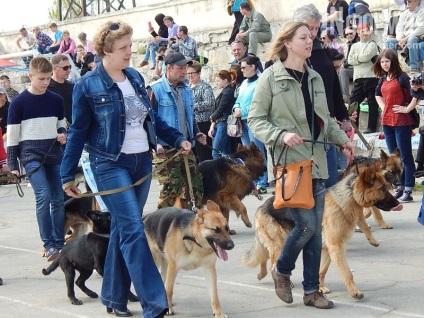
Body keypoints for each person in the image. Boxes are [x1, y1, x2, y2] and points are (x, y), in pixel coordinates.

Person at [60, 21, 186, 318]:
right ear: (106, 51)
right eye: (124, 48)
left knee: (120, 230)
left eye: (131, 45)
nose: (131, 52)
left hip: (141, 162)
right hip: (108, 164)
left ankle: (114, 298)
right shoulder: (87, 85)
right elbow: (78, 131)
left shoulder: (135, 77)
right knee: (132, 229)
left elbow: (151, 118)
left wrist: (178, 138)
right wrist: (67, 174)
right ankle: (155, 303)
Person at [247, 21, 354, 309]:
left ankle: (311, 292)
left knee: (316, 231)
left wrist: (343, 139)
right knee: (306, 226)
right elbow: (255, 120)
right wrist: (281, 135)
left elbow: (326, 119)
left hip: (318, 162)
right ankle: (282, 270)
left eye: (312, 37)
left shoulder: (316, 77)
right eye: (304, 37)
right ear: (288, 43)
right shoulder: (270, 77)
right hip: (289, 165)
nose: (310, 42)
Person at [7, 57, 67, 262]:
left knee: (59, 198)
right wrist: (13, 165)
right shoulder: (18, 103)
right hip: (31, 155)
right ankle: (49, 245)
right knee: (44, 195)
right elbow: (13, 137)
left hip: (53, 153)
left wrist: (62, 133)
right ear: (30, 76)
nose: (46, 82)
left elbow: (62, 124)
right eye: (41, 78)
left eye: (49, 78)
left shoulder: (56, 100)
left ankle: (60, 243)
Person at [293, 4, 354, 188]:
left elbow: (334, 87)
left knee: (330, 177)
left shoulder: (322, 51)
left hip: (327, 123)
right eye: (308, 28)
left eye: (316, 28)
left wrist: (344, 116)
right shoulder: (284, 59)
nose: (313, 33)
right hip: (300, 128)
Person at [148, 52, 206, 210]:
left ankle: (190, 224)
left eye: (185, 68)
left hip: (186, 146)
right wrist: (156, 143)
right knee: (171, 189)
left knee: (195, 187)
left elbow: (189, 116)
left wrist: (197, 133)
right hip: (166, 149)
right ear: (169, 68)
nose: (184, 72)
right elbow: (149, 120)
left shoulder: (186, 89)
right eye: (180, 68)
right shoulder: (155, 89)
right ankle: (159, 224)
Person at [372, 48, 417, 202]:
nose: (384, 64)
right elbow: (377, 94)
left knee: (405, 157)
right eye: (382, 61)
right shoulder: (383, 78)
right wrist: (384, 107)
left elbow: (416, 92)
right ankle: (399, 187)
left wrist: (407, 108)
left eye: (387, 61)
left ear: (393, 61)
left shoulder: (402, 77)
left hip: (402, 122)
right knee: (392, 158)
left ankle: (408, 189)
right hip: (387, 122)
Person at [232, 55, 268, 194]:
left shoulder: (260, 82)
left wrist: (243, 111)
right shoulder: (245, 83)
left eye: (243, 67)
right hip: (243, 121)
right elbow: (238, 100)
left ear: (253, 66)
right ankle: (252, 181)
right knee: (246, 153)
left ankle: (262, 182)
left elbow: (259, 103)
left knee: (257, 152)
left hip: (255, 120)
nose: (241, 70)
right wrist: (235, 108)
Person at [348, 22, 380, 133]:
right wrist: (360, 58)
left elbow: (367, 56)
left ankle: (371, 127)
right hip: (358, 77)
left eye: (366, 30)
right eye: (362, 31)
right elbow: (349, 60)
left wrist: (356, 58)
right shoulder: (354, 45)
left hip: (371, 77)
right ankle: (354, 128)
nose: (364, 33)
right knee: (353, 103)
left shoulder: (372, 44)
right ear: (358, 32)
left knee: (372, 102)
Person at [385, 0, 424, 73]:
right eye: (406, 2)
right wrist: (400, 39)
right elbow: (399, 29)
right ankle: (394, 68)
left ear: (417, 2)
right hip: (403, 39)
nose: (407, 4)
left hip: (417, 37)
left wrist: (406, 39)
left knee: (412, 39)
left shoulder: (422, 12)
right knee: (389, 42)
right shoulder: (404, 14)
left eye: (410, 1)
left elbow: (421, 28)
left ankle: (414, 67)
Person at [187, 61, 215, 162]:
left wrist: (193, 106)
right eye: (188, 73)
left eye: (192, 73)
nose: (190, 75)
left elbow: (210, 103)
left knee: (204, 153)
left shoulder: (205, 87)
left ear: (199, 73)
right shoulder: (187, 87)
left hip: (203, 124)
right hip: (191, 124)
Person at [208, 69, 237, 158]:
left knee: (216, 153)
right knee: (225, 153)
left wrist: (211, 117)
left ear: (225, 81)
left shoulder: (227, 92)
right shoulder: (226, 91)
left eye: (218, 81)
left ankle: (220, 171)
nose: (216, 83)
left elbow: (221, 109)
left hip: (224, 123)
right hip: (223, 123)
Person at [48, 54, 74, 126]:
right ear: (54, 68)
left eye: (69, 67)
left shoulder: (72, 86)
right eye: (65, 68)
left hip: (72, 128)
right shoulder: (47, 87)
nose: (69, 70)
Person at [339, 26, 359, 100]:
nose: (348, 36)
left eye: (350, 33)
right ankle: (338, 95)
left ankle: (345, 97)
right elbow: (346, 58)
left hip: (358, 67)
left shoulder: (357, 43)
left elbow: (354, 59)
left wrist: (344, 65)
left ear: (355, 33)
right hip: (351, 67)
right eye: (346, 34)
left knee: (343, 71)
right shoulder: (348, 44)